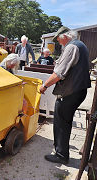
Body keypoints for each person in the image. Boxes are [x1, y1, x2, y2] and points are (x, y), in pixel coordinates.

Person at [39, 26, 91, 164]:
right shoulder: (81, 45)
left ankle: (61, 155)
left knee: (61, 122)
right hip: (79, 90)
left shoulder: (71, 47)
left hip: (70, 92)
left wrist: (44, 86)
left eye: (58, 39)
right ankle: (61, 150)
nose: (58, 41)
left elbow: (59, 74)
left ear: (65, 36)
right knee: (65, 121)